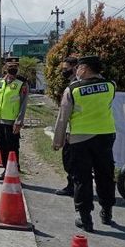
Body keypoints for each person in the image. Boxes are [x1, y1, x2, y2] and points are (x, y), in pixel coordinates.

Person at [52, 56, 116, 233]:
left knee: (82, 178)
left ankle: (85, 218)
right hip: (105, 135)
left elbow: (63, 118)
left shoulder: (73, 89)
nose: (76, 71)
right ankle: (107, 212)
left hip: (80, 139)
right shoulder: (110, 86)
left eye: (79, 68)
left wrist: (57, 141)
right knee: (105, 175)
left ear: (86, 68)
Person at [0, 60, 29, 180]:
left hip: (12, 122)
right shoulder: (0, 82)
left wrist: (19, 121)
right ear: (5, 68)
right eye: (10, 66)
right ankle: (6, 170)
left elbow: (23, 104)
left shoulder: (21, 84)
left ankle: (14, 171)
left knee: (13, 147)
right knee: (2, 145)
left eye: (15, 66)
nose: (12, 68)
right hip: (0, 121)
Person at [55, 56, 79, 197]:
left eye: (66, 69)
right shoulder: (72, 84)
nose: (64, 71)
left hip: (75, 130)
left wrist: (59, 137)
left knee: (71, 161)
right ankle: (73, 186)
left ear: (75, 68)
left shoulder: (76, 86)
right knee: (69, 160)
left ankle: (74, 187)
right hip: (73, 129)